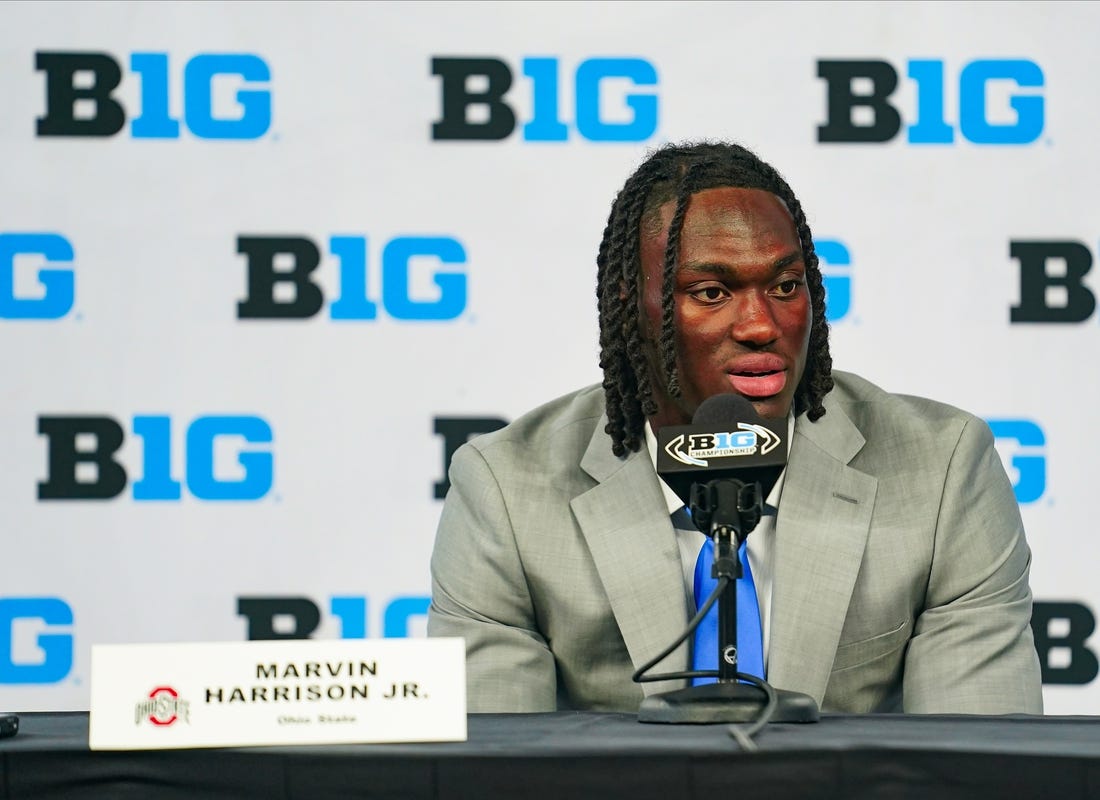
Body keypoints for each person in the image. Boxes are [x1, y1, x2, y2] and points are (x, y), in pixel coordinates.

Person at [427, 140, 1043, 715]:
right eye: (713, 292)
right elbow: (496, 764)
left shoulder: (942, 469)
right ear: (627, 302)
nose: (759, 324)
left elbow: (974, 759)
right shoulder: (508, 489)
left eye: (784, 286)